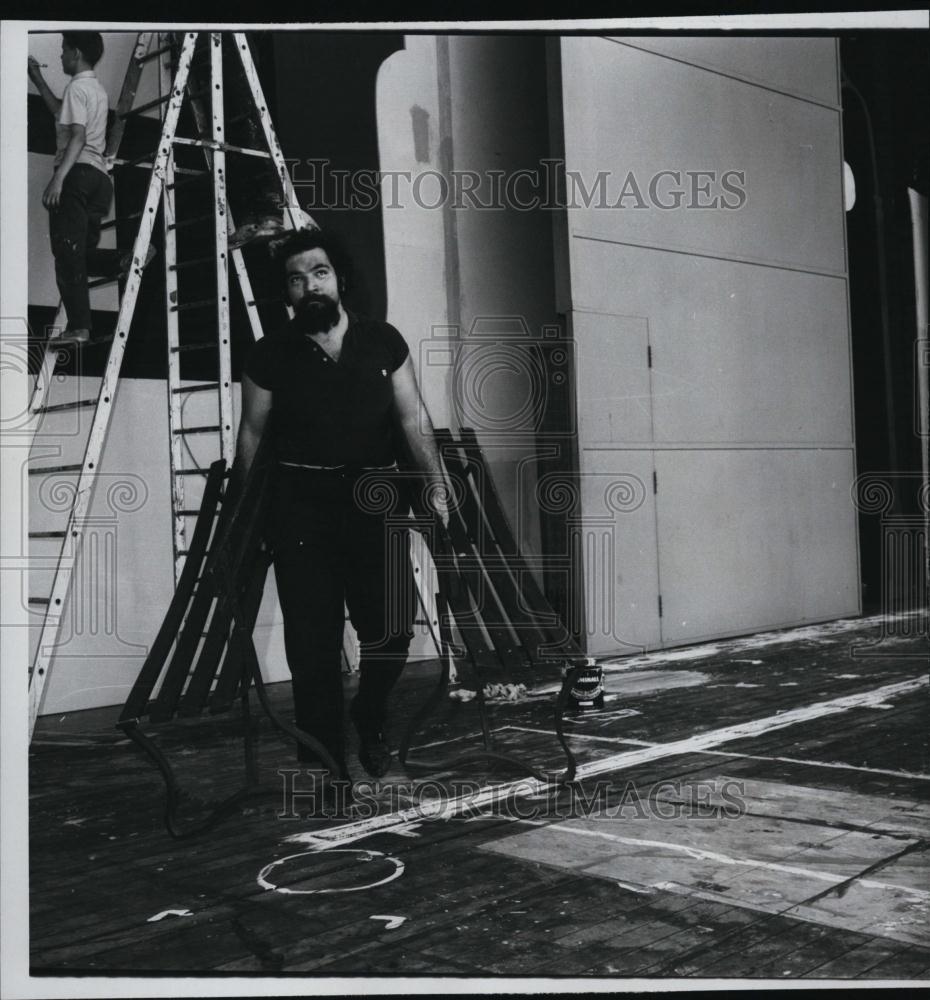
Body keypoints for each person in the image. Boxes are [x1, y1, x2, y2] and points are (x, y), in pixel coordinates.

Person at [235, 227, 448, 781]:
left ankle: (370, 712)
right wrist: (249, 513)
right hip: (299, 509)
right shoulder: (269, 355)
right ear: (286, 292)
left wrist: (437, 483)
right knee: (312, 646)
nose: (310, 286)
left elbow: (413, 419)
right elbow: (251, 437)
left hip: (373, 503)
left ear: (340, 279)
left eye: (320, 273)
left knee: (394, 630)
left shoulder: (383, 342)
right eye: (296, 279)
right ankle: (323, 761)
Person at [28, 33, 153, 346]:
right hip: (98, 182)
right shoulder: (94, 90)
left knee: (67, 255)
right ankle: (126, 258)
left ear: (76, 53)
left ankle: (80, 328)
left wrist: (58, 178)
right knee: (78, 255)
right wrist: (38, 79)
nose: (60, 57)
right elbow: (61, 113)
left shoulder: (77, 88)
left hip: (77, 176)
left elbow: (78, 136)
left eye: (63, 51)